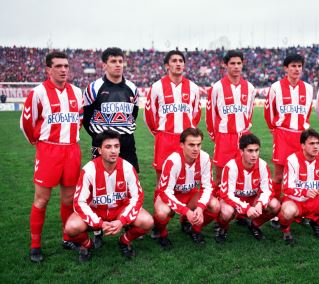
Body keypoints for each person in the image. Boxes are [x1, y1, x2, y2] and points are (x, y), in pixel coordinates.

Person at [20, 51, 83, 262]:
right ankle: (35, 245)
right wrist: (39, 144)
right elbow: (27, 123)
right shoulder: (38, 93)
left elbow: (79, 120)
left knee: (68, 199)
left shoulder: (76, 92)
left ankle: (68, 237)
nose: (64, 70)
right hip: (49, 151)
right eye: (58, 66)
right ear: (49, 69)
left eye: (66, 66)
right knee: (41, 199)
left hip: (72, 150)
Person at [64, 130, 153, 261]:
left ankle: (124, 241)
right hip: (96, 211)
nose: (113, 151)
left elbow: (137, 197)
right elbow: (80, 202)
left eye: (116, 146)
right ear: (99, 150)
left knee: (148, 222)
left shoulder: (128, 168)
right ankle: (87, 245)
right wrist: (99, 223)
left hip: (119, 210)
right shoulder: (89, 170)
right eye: (108, 147)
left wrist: (122, 220)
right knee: (71, 228)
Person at [264, 53, 313, 218]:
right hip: (283, 135)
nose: (296, 69)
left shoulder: (308, 88)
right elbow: (269, 112)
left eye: (299, 66)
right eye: (293, 66)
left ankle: (302, 211)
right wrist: (275, 129)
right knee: (278, 175)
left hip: (301, 137)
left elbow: (308, 113)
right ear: (286, 68)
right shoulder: (276, 87)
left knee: (301, 175)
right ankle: (276, 210)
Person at [152, 128, 219, 250]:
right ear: (182, 145)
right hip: (169, 195)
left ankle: (193, 228)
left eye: (198, 144)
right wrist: (186, 211)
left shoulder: (204, 158)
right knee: (162, 213)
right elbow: (165, 192)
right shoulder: (173, 160)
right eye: (191, 145)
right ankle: (161, 233)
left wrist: (200, 207)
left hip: (190, 194)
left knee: (215, 205)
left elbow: (208, 186)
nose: (196, 149)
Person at [144, 50, 201, 181]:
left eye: (181, 61)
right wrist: (159, 133)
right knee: (162, 178)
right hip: (165, 138)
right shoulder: (157, 87)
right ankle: (160, 201)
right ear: (167, 66)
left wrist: (189, 132)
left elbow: (196, 114)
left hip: (187, 140)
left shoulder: (193, 87)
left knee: (186, 178)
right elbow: (149, 114)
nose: (178, 64)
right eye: (174, 61)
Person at [82, 47, 140, 172]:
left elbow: (133, 114)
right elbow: (86, 118)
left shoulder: (132, 88)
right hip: (102, 145)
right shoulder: (93, 88)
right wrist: (99, 137)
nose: (118, 65)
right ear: (104, 65)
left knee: (129, 184)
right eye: (113, 61)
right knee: (101, 182)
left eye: (120, 61)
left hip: (127, 144)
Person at [216, 134, 280, 242]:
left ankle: (254, 225)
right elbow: (227, 195)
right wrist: (246, 208)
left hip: (252, 199)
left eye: (256, 150)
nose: (254, 155)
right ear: (241, 151)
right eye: (250, 151)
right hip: (233, 200)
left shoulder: (263, 165)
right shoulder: (231, 167)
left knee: (275, 205)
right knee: (226, 212)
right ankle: (223, 228)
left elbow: (267, 190)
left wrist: (260, 203)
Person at [206, 50, 256, 188]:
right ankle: (216, 207)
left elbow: (249, 112)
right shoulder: (217, 88)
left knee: (244, 174)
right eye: (232, 63)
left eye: (239, 63)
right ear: (225, 65)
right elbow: (210, 115)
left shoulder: (250, 88)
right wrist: (215, 136)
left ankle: (240, 205)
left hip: (244, 137)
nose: (236, 66)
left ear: (243, 64)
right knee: (220, 177)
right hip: (224, 137)